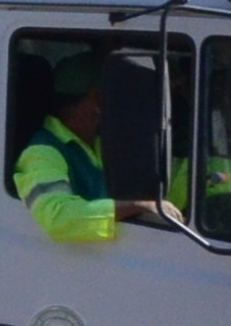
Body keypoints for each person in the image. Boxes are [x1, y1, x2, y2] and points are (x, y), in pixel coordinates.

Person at [16, 54, 164, 243]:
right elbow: (59, 218)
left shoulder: (103, 140)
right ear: (97, 99)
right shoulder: (41, 152)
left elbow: (158, 177)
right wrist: (139, 205)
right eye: (114, 98)